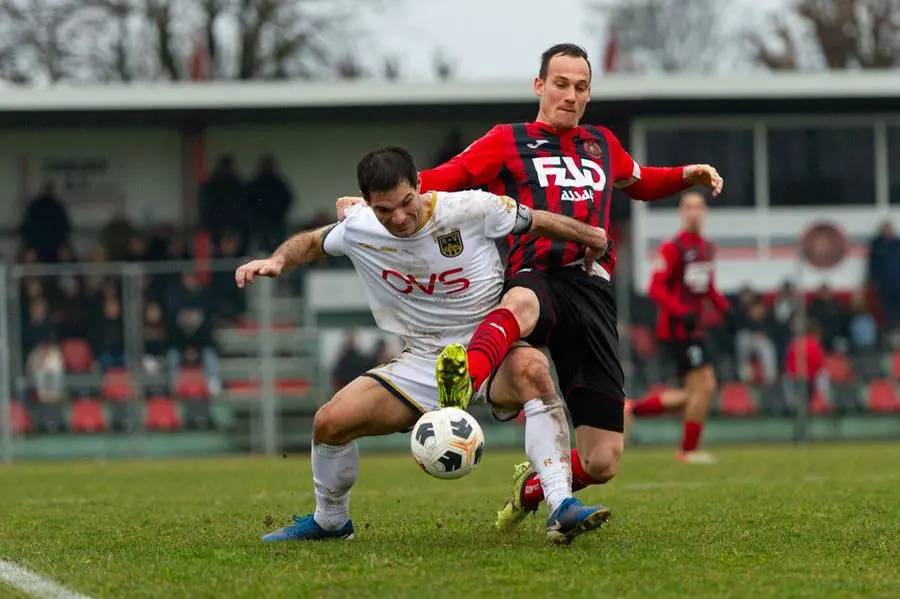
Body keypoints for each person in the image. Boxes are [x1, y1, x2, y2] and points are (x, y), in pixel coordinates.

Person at [236, 147, 612, 545]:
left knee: (535, 369)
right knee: (329, 423)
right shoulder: (360, 227)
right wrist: (277, 261)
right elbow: (311, 243)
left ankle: (560, 503)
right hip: (423, 360)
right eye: (383, 210)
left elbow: (534, 220)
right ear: (366, 204)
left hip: (490, 349)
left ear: (419, 185)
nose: (397, 218)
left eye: (405, 202)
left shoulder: (471, 207)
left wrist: (591, 237)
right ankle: (331, 521)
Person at [626, 190, 730, 464]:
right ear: (681, 213)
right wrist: (682, 312)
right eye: (688, 207)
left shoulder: (707, 247)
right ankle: (688, 449)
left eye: (698, 206)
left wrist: (724, 308)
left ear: (705, 211)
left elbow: (707, 286)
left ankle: (633, 408)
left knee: (696, 393)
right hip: (677, 329)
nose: (694, 212)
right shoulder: (673, 248)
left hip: (695, 328)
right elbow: (655, 288)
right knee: (705, 385)